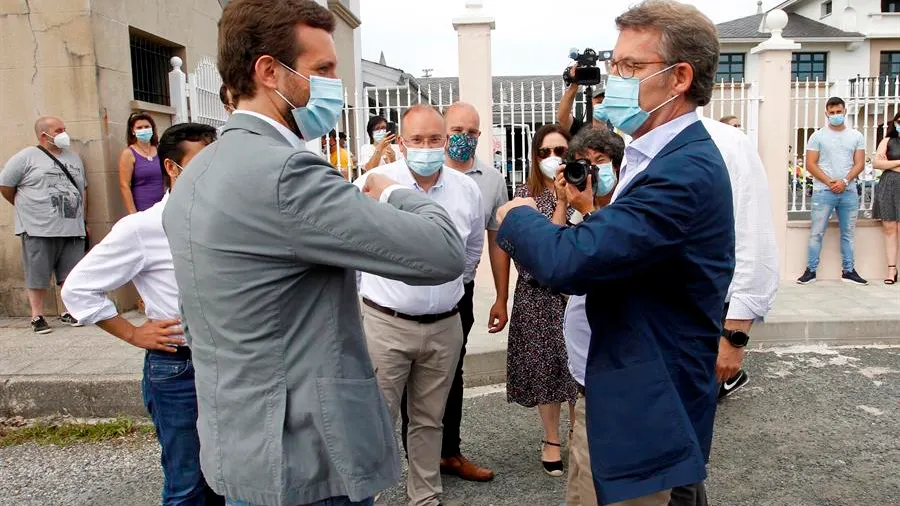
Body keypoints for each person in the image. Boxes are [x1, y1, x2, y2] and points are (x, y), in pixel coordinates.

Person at [162, 2, 466, 506]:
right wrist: (392, 191)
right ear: (267, 71)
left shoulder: (197, 172)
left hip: (239, 442)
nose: (333, 85)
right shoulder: (286, 173)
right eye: (322, 70)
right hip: (306, 454)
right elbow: (443, 252)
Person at [496, 1, 735, 504]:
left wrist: (515, 215)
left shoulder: (682, 170)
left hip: (644, 401)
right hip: (618, 387)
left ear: (679, 78)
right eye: (615, 65)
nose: (616, 78)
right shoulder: (654, 156)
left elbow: (573, 261)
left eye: (632, 67)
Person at [62, 123, 223, 506]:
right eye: (202, 163)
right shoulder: (143, 228)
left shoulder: (228, 221)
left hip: (230, 366)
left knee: (229, 480)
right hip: (179, 369)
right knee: (188, 484)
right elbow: (78, 289)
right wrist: (134, 334)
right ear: (172, 168)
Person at [355, 104, 484, 506]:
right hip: (386, 323)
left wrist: (448, 290)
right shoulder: (374, 184)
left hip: (445, 324)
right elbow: (353, 251)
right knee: (376, 418)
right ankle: (365, 495)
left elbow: (472, 249)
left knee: (430, 419)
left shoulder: (466, 190)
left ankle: (424, 495)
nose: (425, 147)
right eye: (416, 140)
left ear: (446, 141)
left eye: (434, 139)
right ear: (401, 141)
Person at [398, 101, 510, 483]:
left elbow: (489, 243)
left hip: (455, 296)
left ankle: (449, 453)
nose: (463, 139)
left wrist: (499, 295)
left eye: (471, 133)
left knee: (451, 374)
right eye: (457, 131)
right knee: (402, 381)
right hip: (401, 302)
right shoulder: (398, 176)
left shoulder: (490, 181)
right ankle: (415, 460)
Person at [506, 123, 579, 478]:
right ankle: (551, 439)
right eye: (545, 152)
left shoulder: (587, 189)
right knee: (548, 369)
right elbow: (542, 253)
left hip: (580, 296)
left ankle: (577, 434)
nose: (553, 158)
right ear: (535, 158)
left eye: (560, 151)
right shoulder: (526, 195)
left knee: (581, 368)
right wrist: (562, 203)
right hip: (539, 298)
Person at [559, 126, 625, 506]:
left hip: (609, 375)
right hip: (585, 373)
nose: (593, 173)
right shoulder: (581, 212)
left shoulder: (626, 212)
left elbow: (604, 258)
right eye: (583, 165)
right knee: (581, 476)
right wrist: (561, 202)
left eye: (601, 163)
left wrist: (586, 210)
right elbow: (555, 265)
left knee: (597, 479)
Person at [0, 116, 88, 333]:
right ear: (44, 135)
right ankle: (37, 316)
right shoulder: (26, 157)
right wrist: (27, 208)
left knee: (71, 273)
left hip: (72, 226)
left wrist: (84, 219)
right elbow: (6, 185)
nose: (64, 133)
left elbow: (82, 189)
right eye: (59, 130)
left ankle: (69, 311)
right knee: (38, 273)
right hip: (39, 227)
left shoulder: (74, 158)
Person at [796, 97, 868, 286]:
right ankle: (810, 271)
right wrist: (830, 182)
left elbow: (860, 163)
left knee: (848, 233)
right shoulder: (818, 136)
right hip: (823, 191)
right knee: (817, 232)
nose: (836, 115)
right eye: (832, 112)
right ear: (827, 113)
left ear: (844, 111)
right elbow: (810, 164)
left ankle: (849, 270)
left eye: (839, 112)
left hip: (849, 191)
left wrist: (844, 181)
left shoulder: (856, 136)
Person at [119, 112, 165, 214]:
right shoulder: (129, 153)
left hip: (161, 207)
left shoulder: (160, 150)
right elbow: (124, 185)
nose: (143, 130)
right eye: (139, 128)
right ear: (133, 131)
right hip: (142, 208)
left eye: (146, 126)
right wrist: (133, 212)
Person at [873, 111, 900, 285]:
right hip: (889, 185)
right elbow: (877, 163)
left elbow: (885, 164)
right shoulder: (887, 141)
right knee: (889, 227)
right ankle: (891, 269)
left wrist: (890, 163)